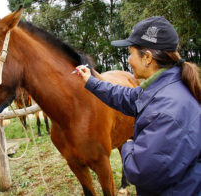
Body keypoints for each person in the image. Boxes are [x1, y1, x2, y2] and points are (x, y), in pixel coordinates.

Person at [76, 16, 201, 195]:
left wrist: (128, 145)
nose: (128, 60)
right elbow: (126, 97)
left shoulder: (167, 110)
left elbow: (141, 171)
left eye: (130, 53)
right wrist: (91, 81)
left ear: (147, 58)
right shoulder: (162, 87)